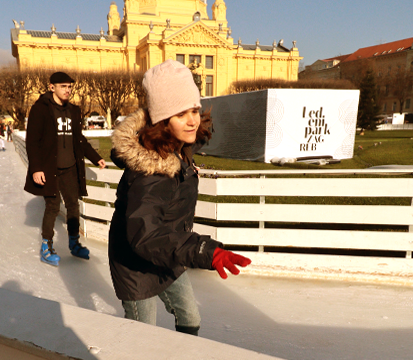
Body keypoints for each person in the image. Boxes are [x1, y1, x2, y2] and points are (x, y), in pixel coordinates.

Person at [108, 60, 251, 335]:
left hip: (168, 252)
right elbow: (145, 235)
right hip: (136, 263)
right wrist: (203, 250)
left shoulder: (180, 146)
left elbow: (203, 132)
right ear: (162, 121)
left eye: (194, 110)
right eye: (181, 113)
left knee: (190, 319)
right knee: (143, 335)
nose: (192, 120)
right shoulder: (150, 172)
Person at [24, 71, 106, 266]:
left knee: (73, 205)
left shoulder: (74, 110)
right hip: (49, 167)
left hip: (70, 167)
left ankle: (74, 243)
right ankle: (46, 245)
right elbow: (32, 141)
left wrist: (96, 158)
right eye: (63, 86)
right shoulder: (40, 109)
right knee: (52, 207)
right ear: (52, 87)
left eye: (69, 87)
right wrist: (36, 168)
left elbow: (79, 140)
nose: (67, 90)